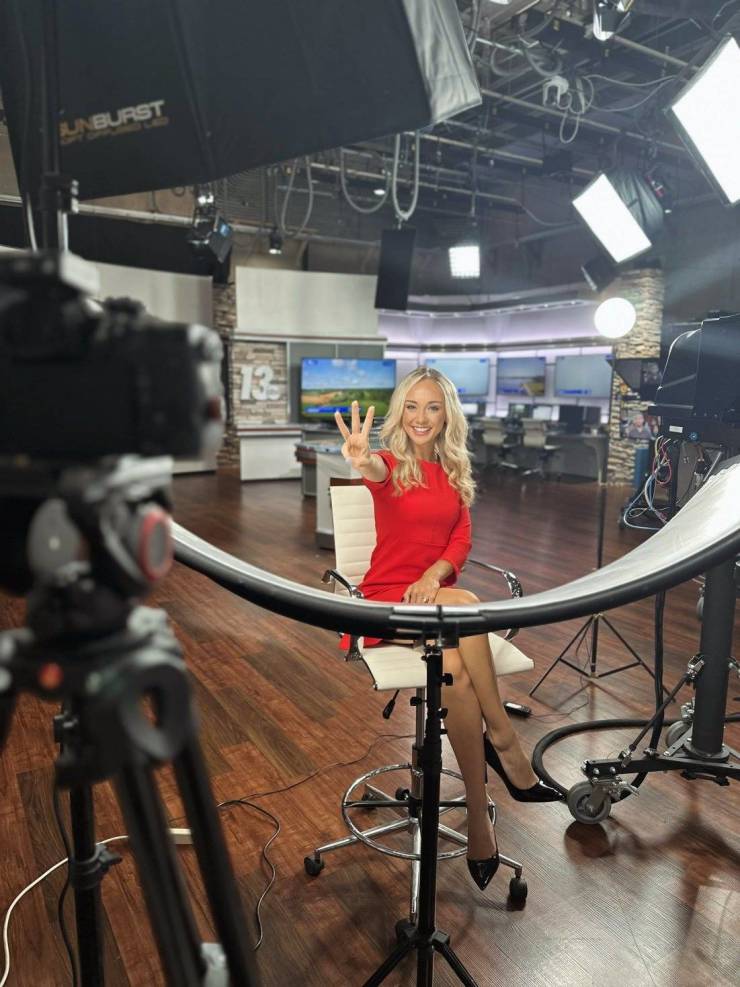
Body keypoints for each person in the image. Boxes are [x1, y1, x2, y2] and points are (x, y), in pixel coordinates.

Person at [334, 367, 561, 892]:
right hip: (384, 602)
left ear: (446, 415)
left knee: (455, 667)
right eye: (412, 406)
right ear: (400, 414)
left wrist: (433, 576)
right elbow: (372, 470)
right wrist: (360, 459)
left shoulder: (455, 470)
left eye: (432, 407)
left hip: (432, 599)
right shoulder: (390, 465)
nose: (421, 417)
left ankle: (480, 823)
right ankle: (503, 740)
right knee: (470, 606)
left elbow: (460, 541)